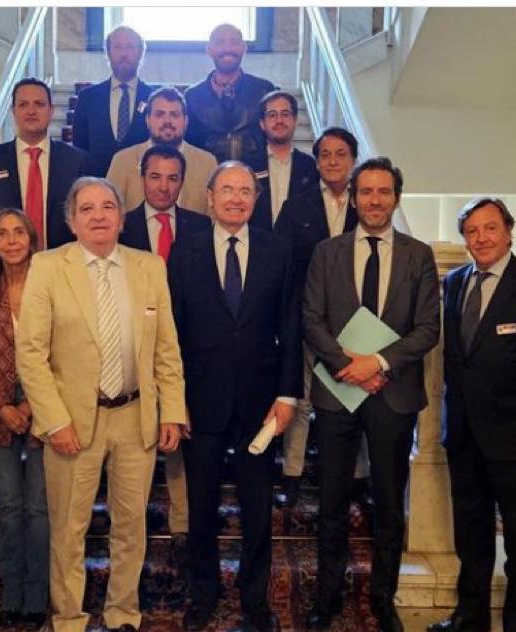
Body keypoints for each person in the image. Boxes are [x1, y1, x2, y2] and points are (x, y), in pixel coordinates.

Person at [15, 177, 186, 632]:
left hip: (135, 417)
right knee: (69, 529)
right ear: (72, 220)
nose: (98, 216)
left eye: (107, 206)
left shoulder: (149, 267)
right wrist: (54, 421)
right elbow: (30, 353)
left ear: (121, 218)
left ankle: (123, 613)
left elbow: (166, 348)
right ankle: (69, 617)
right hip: (72, 422)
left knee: (131, 527)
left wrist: (172, 410)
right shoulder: (48, 267)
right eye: (86, 208)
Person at [302, 157, 440, 632]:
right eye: (366, 192)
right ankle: (327, 597)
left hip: (392, 394)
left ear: (396, 198)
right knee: (332, 502)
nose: (374, 200)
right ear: (353, 198)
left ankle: (383, 598)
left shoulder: (419, 256)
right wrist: (349, 366)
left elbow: (427, 328)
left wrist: (377, 364)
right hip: (338, 393)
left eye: (383, 192)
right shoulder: (327, 252)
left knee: (388, 502)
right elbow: (311, 319)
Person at [168, 161, 302, 632]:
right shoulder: (183, 250)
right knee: (201, 506)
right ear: (209, 197)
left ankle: (255, 600)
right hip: (201, 400)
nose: (236, 198)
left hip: (260, 403)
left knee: (258, 508)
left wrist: (288, 395)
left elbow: (290, 326)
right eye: (226, 189)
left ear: (256, 200)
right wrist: (175, 399)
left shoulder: (278, 251)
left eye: (245, 191)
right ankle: (203, 594)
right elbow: (173, 331)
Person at [430, 198, 516, 632]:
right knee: (471, 536)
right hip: (464, 436)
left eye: (490, 228)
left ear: (509, 232)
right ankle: (470, 619)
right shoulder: (455, 282)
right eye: (472, 231)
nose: (481, 238)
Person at [117, 143, 210, 562]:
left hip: (187, 344)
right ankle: (130, 526)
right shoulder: (122, 226)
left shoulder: (200, 225)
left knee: (180, 433)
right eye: (155, 176)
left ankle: (182, 525)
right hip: (130, 345)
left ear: (182, 182)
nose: (163, 186)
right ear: (142, 178)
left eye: (173, 178)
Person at [272, 127, 364, 509]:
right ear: (316, 161)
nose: (332, 161)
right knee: (301, 398)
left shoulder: (366, 204)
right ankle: (292, 474)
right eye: (325, 154)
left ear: (353, 159)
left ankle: (356, 475)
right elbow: (281, 264)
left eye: (340, 154)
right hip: (306, 317)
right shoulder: (297, 205)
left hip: (357, 322)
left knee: (354, 398)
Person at [0, 208, 48, 631]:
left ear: (32, 240)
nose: (13, 240)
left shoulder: (50, 287)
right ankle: (11, 596)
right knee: (12, 505)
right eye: (3, 233)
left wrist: (32, 405)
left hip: (45, 405)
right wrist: (3, 406)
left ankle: (37, 598)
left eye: (20, 232)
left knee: (39, 507)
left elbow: (60, 348)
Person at [0, 77, 89, 267]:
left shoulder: (77, 161)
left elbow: (85, 218)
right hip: (4, 271)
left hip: (62, 270)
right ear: (13, 111)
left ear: (51, 111)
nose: (31, 111)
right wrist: (3, 255)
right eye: (23, 104)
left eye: (39, 104)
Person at [106, 87, 218, 214]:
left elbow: (214, 216)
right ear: (147, 120)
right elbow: (110, 212)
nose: (167, 121)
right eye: (159, 114)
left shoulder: (207, 163)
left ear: (186, 121)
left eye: (174, 115)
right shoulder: (122, 160)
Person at [185, 24, 276, 165]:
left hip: (255, 175)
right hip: (207, 175)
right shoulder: (192, 97)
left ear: (244, 48)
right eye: (220, 43)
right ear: (209, 50)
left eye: (234, 43)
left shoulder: (264, 90)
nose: (227, 49)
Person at [72, 25, 155, 177]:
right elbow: (79, 149)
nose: (124, 54)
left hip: (141, 183)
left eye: (130, 47)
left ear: (141, 53)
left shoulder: (154, 98)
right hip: (98, 182)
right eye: (117, 47)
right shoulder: (88, 98)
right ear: (108, 53)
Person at [249, 90, 319, 232]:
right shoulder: (248, 165)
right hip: (256, 242)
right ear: (262, 123)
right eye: (272, 115)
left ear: (295, 120)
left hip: (297, 243)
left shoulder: (309, 165)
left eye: (285, 114)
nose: (279, 121)